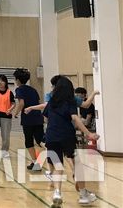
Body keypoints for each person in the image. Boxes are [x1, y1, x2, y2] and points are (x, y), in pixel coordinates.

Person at [42, 76, 99, 206]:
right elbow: (76, 119)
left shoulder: (51, 102)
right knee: (77, 165)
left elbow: (45, 119)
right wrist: (89, 133)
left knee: (57, 166)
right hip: (66, 135)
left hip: (51, 136)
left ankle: (57, 192)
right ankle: (83, 195)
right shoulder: (70, 102)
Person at [12, 68, 45, 171]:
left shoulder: (19, 90)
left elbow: (21, 103)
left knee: (29, 141)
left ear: (17, 80)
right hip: (38, 117)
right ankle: (40, 160)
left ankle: (36, 162)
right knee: (40, 140)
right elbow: (38, 103)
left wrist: (15, 113)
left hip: (28, 119)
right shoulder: (33, 90)